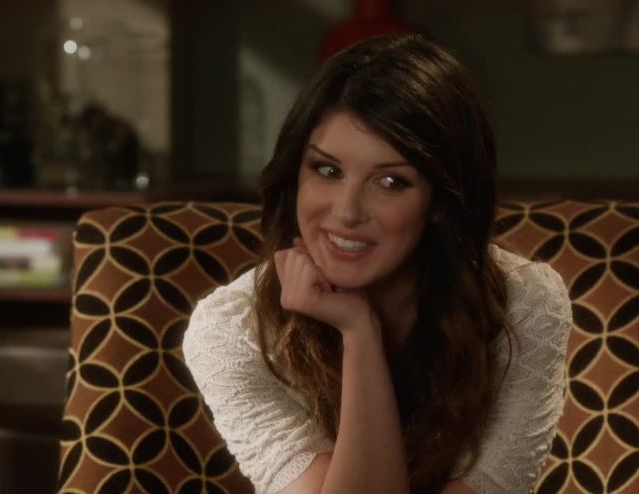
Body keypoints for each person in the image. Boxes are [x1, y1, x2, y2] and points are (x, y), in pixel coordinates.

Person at [182, 33, 572, 494]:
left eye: (390, 182)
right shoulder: (231, 330)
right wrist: (361, 332)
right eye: (327, 170)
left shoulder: (524, 304)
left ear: (440, 201)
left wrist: (357, 330)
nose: (347, 212)